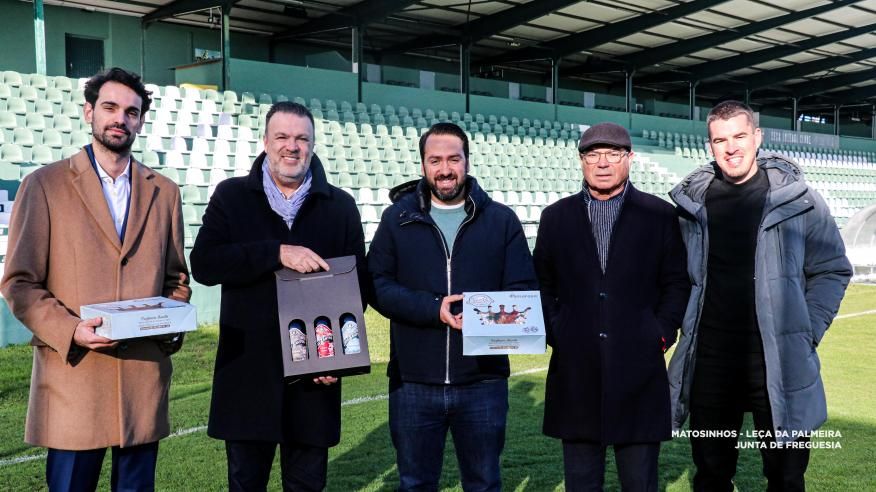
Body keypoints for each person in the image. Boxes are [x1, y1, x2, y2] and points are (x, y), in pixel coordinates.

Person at [0, 67, 190, 491]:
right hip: (74, 378)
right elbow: (19, 282)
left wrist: (170, 324)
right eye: (110, 107)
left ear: (140, 122)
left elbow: (176, 278)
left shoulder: (165, 192)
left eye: (131, 112)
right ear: (89, 112)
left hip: (141, 380)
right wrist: (71, 330)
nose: (120, 118)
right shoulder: (44, 185)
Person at [667, 100, 853, 491]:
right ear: (710, 145)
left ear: (757, 137)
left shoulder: (800, 200)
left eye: (739, 136)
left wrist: (806, 330)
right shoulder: (691, 205)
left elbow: (832, 269)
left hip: (779, 360)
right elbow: (675, 277)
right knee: (711, 474)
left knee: (786, 476)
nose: (730, 148)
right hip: (711, 362)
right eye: (720, 140)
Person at [189, 101, 367, 491]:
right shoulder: (231, 196)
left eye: (302, 138)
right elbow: (204, 264)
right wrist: (276, 253)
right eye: (282, 136)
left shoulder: (340, 206)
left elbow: (358, 289)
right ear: (266, 142)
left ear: (313, 144)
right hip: (247, 377)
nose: (292, 146)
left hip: (314, 378)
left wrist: (336, 356)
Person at [368, 122, 538, 491]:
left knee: (484, 483)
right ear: (423, 165)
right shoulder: (397, 219)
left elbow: (523, 289)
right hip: (413, 382)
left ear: (467, 161)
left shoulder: (501, 220)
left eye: (453, 159)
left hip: (483, 381)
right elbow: (377, 286)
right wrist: (433, 309)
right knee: (415, 484)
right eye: (435, 160)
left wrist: (479, 315)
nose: (445, 169)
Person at [533, 122, 690, 491]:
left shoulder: (660, 214)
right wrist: (558, 330)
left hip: (639, 373)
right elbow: (541, 284)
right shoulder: (556, 217)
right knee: (581, 484)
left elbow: (676, 283)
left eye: (613, 154)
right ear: (581, 160)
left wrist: (660, 333)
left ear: (629, 158)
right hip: (576, 374)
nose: (602, 163)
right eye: (593, 154)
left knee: (640, 483)